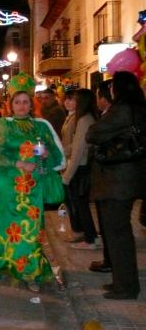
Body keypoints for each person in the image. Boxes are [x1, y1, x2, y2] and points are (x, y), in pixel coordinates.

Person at [0, 73, 65, 292]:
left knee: (33, 229)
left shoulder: (42, 126)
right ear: (11, 104)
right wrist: (19, 164)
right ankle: (1, 262)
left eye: (26, 102)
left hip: (33, 188)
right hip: (9, 185)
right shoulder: (2, 125)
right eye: (17, 102)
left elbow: (57, 157)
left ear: (31, 103)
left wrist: (45, 157)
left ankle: (30, 271)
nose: (22, 106)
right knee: (4, 224)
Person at [86, 71, 146, 300]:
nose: (110, 92)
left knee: (118, 234)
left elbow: (93, 134)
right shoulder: (140, 109)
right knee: (120, 233)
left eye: (112, 88)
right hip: (130, 179)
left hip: (117, 181)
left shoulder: (122, 110)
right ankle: (123, 282)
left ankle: (126, 287)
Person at [61, 89, 99, 250]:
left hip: (80, 168)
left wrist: (67, 176)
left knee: (81, 205)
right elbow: (75, 145)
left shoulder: (84, 120)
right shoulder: (84, 118)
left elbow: (78, 151)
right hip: (81, 166)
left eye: (75, 99)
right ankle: (88, 236)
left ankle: (90, 238)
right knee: (80, 204)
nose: (72, 102)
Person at [89, 79, 113, 274]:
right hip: (109, 180)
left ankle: (111, 263)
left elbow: (92, 137)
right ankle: (109, 260)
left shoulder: (113, 117)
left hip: (111, 181)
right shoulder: (106, 116)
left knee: (112, 227)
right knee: (107, 225)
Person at [60, 89, 83, 241]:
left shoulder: (77, 118)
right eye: (66, 99)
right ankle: (76, 229)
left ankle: (78, 230)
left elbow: (76, 143)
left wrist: (61, 151)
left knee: (73, 198)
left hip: (72, 161)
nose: (68, 102)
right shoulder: (69, 117)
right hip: (66, 159)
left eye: (72, 99)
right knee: (69, 198)